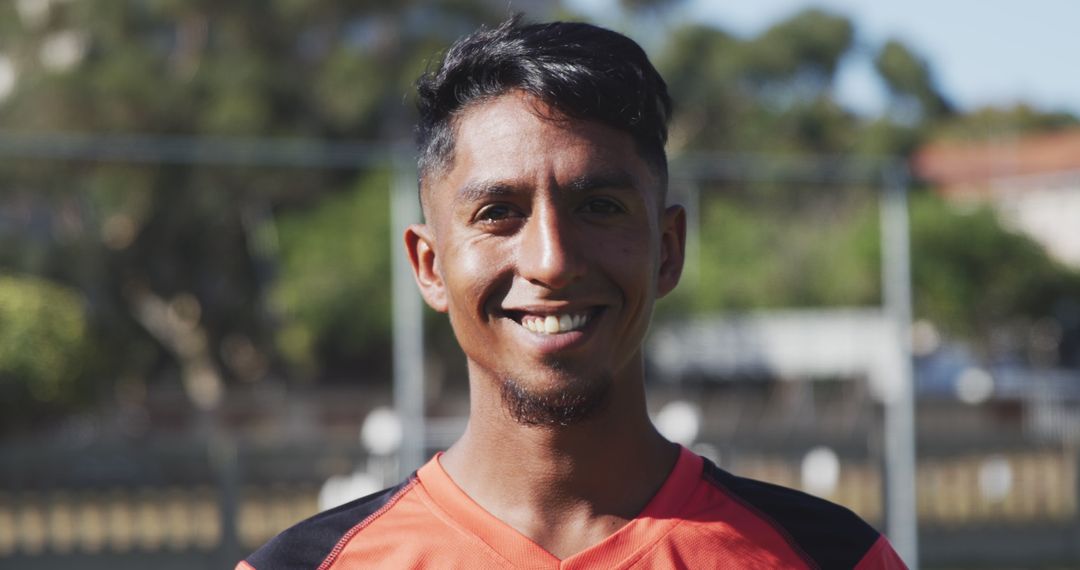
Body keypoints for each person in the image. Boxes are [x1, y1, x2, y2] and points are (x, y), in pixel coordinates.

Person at [238, 16, 906, 570]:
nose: (553, 261)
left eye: (600, 207)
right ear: (430, 265)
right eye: (499, 212)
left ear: (667, 249)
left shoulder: (832, 559)